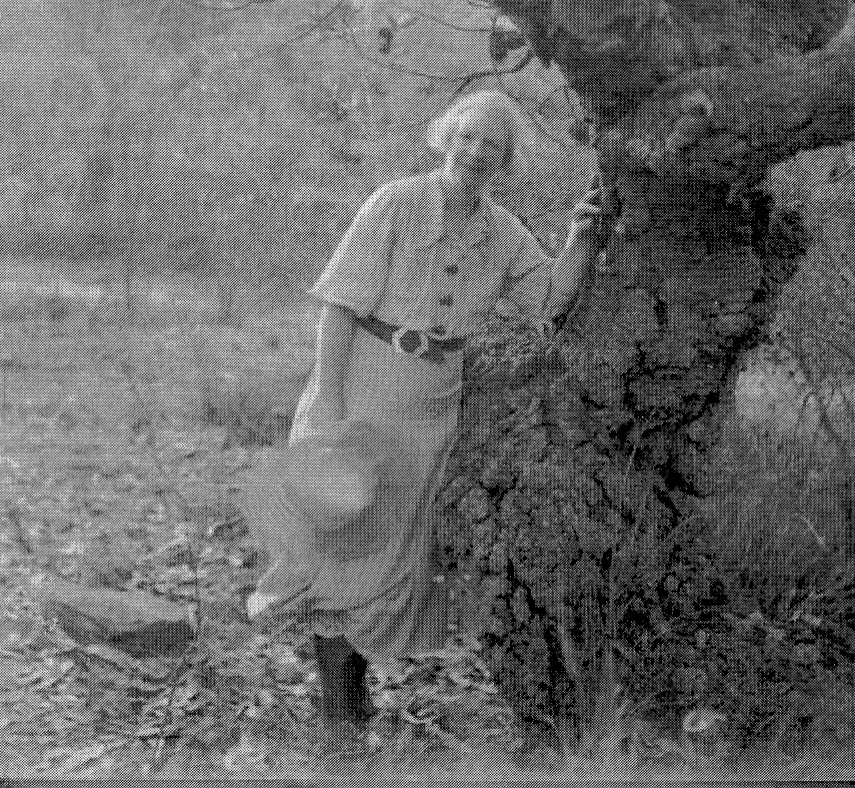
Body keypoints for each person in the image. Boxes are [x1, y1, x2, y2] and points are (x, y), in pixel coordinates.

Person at [247, 89, 617, 752]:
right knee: (343, 544)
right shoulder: (394, 202)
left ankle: (354, 698)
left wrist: (581, 238)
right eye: (467, 137)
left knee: (390, 557)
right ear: (446, 137)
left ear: (503, 162)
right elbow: (338, 306)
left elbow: (548, 299)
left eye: (492, 146)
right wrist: (327, 398)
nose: (475, 153)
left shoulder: (503, 233)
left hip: (430, 408)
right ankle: (339, 720)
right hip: (361, 386)